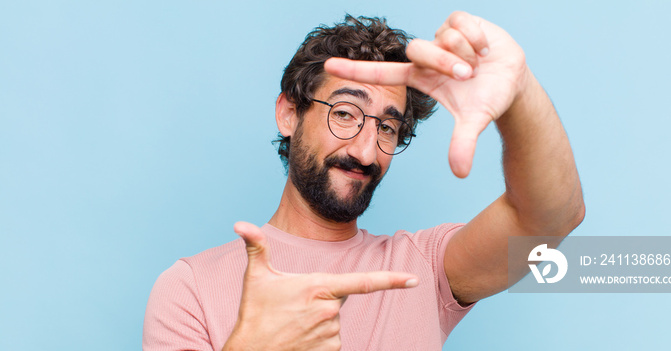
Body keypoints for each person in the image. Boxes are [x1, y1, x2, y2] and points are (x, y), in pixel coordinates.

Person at [143, 11, 584, 351]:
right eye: (345, 114)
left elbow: (551, 218)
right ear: (288, 113)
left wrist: (520, 90)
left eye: (387, 128)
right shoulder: (190, 288)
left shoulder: (425, 268)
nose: (365, 151)